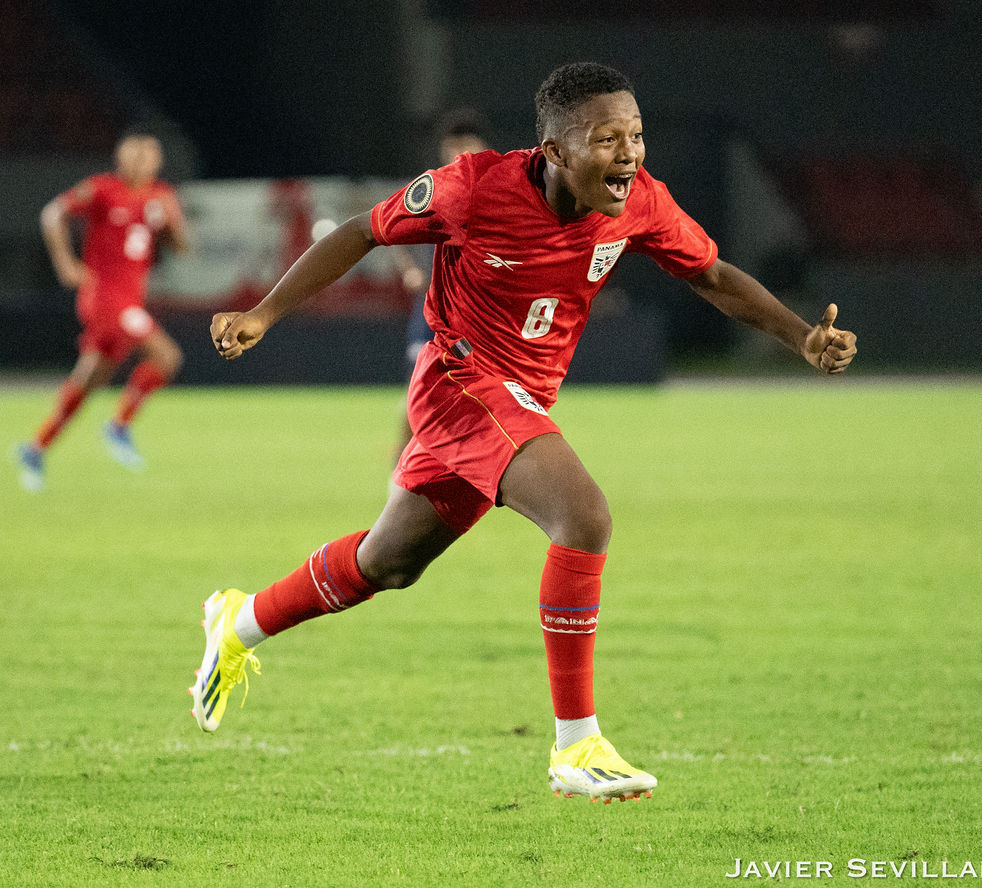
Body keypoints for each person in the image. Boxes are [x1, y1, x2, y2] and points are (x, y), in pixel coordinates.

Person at [190, 63, 857, 803]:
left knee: (388, 564)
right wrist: (263, 314)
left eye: (636, 135)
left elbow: (713, 276)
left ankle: (240, 622)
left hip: (520, 398)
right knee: (585, 515)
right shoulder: (473, 189)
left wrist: (799, 337)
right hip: (457, 382)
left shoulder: (640, 204)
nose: (630, 154)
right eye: (607, 139)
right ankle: (577, 745)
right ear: (555, 149)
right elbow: (359, 232)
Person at [15, 131, 190, 491]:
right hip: (105, 299)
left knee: (89, 378)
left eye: (150, 156)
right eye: (136, 155)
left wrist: (173, 221)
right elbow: (53, 213)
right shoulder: (102, 189)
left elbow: (180, 246)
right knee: (167, 357)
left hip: (130, 300)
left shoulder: (161, 196)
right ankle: (119, 427)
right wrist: (65, 263)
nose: (144, 162)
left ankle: (37, 447)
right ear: (121, 159)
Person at [391, 108, 490, 458]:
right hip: (434, 305)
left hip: (479, 313)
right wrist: (409, 269)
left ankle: (460, 460)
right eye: (454, 146)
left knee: (478, 389)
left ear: (481, 145)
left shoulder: (495, 188)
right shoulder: (431, 188)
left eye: (467, 144)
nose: (460, 152)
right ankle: (401, 457)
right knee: (419, 380)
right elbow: (388, 230)